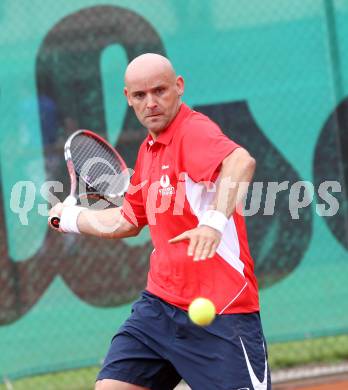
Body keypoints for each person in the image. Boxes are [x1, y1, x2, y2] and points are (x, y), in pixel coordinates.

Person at [49, 53, 271, 390]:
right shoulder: (148, 150)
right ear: (128, 98)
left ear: (179, 87)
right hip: (160, 307)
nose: (151, 103)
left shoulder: (193, 131)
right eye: (140, 95)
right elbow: (127, 220)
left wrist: (212, 222)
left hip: (222, 312)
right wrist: (71, 218)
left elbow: (241, 162)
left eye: (160, 91)